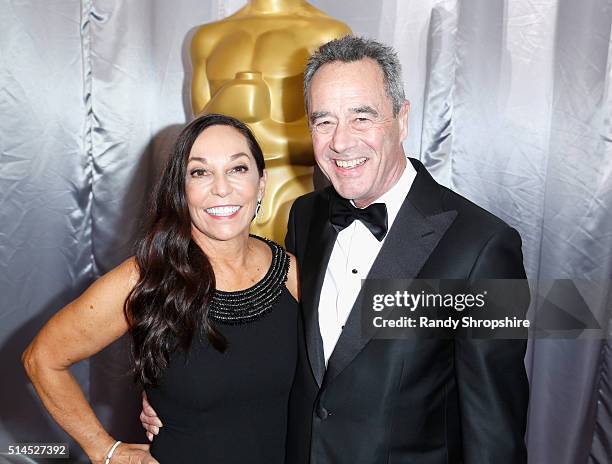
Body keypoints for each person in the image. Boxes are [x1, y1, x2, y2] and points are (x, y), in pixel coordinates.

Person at [142, 36, 529, 463]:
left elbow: (496, 434)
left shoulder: (486, 247)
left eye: (362, 117)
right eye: (323, 121)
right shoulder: (305, 217)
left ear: (402, 119)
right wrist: (169, 392)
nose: (341, 142)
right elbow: (266, 350)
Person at [22, 113, 299, 464]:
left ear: (261, 183)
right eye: (199, 172)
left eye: (237, 169)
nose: (221, 187)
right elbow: (42, 359)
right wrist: (104, 450)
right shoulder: (146, 278)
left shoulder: (292, 272)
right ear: (180, 190)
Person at [191, 0, 351, 243]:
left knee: (294, 275)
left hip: (290, 200)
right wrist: (227, 103)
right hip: (221, 202)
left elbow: (335, 138)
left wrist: (258, 128)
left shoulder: (327, 33)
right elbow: (197, 139)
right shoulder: (207, 38)